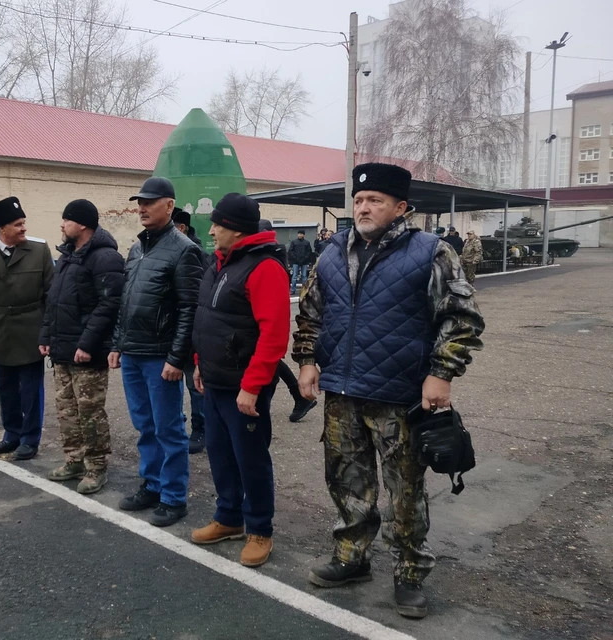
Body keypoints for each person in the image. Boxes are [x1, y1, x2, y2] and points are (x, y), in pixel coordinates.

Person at [292, 162, 484, 619]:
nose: (363, 207)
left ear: (400, 207)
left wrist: (442, 373)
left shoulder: (432, 252)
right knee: (347, 482)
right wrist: (306, 361)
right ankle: (351, 557)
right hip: (342, 391)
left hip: (400, 394)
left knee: (405, 490)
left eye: (374, 200)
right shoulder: (333, 251)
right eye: (358, 200)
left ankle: (410, 572)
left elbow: (461, 318)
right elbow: (311, 312)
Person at [190, 193, 290, 568]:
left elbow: (274, 335)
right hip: (215, 381)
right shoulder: (219, 263)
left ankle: (260, 529)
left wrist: (252, 385)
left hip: (244, 386)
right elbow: (208, 320)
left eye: (218, 224)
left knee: (250, 459)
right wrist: (200, 363)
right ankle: (229, 518)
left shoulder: (264, 268)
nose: (212, 230)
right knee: (219, 453)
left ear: (236, 229)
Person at [109, 176, 203, 527]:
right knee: (144, 425)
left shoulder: (184, 249)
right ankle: (152, 484)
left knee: (168, 428)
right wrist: (118, 344)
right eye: (140, 202)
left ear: (169, 206)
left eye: (150, 202)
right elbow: (125, 301)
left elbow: (189, 309)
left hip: (161, 356)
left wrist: (177, 358)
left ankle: (174, 496)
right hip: (134, 353)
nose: (142, 208)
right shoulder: (136, 248)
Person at [39, 199, 124, 493]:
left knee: (90, 412)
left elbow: (109, 305)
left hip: (88, 353)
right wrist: (46, 337)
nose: (61, 225)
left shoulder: (105, 258)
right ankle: (74, 459)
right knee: (66, 410)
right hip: (63, 350)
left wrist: (87, 344)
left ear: (83, 224)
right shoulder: (67, 257)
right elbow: (53, 301)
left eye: (66, 220)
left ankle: (96, 466)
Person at [0, 196, 54, 461]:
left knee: (30, 390)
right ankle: (11, 435)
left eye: (24, 223)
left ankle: (30, 439)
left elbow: (51, 297)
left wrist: (47, 333)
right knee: (6, 389)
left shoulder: (39, 250)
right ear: (2, 228)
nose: (23, 229)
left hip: (31, 330)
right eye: (18, 224)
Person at [257, 220, 316, 423]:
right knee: (271, 361)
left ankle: (293, 398)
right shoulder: (276, 251)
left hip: (271, 312)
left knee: (269, 359)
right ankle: (298, 397)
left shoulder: (272, 252)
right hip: (270, 310)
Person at [173, 207, 209, 455]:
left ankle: (201, 429)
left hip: (191, 329)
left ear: (181, 228)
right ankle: (179, 427)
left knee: (194, 383)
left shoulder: (194, 254)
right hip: (170, 330)